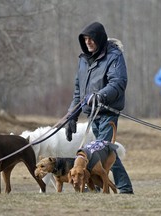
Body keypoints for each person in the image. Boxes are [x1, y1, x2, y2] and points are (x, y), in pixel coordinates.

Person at [64, 22, 134, 194]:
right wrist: (71, 116)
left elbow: (118, 83)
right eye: (85, 39)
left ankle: (123, 189)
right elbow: (78, 92)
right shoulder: (83, 60)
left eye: (91, 39)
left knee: (104, 151)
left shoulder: (114, 56)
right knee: (102, 152)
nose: (88, 42)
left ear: (100, 39)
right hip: (92, 115)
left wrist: (99, 96)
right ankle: (99, 186)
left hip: (107, 112)